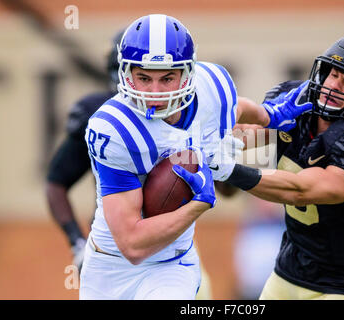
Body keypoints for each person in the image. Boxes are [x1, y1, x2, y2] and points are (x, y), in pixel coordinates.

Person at [79, 14, 307, 300]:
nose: (155, 92)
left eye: (167, 78)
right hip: (110, 266)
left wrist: (269, 115)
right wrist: (198, 205)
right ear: (126, 74)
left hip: (171, 263)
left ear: (188, 74)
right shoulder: (114, 129)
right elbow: (133, 245)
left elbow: (235, 108)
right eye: (144, 78)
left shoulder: (212, 87)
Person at [218, 33, 344, 299]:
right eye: (333, 74)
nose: (335, 85)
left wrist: (229, 170)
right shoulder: (299, 103)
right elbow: (246, 132)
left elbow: (300, 190)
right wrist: (208, 139)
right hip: (291, 271)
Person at [45, 30, 123, 271]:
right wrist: (78, 244)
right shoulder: (97, 115)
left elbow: (223, 190)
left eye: (164, 76)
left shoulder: (183, 117)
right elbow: (56, 182)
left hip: (170, 253)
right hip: (109, 252)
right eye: (142, 74)